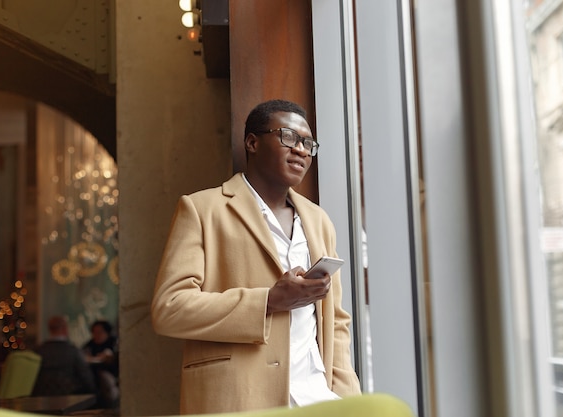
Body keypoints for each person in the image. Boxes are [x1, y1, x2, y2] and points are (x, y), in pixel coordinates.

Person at [151, 99, 361, 414]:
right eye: (289, 137)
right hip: (239, 399)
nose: (301, 150)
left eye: (308, 143)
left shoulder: (319, 221)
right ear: (252, 142)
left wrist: (350, 400)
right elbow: (169, 309)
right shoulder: (202, 209)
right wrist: (269, 300)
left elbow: (337, 321)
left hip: (318, 398)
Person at [32, 315, 96, 396]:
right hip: (69, 397)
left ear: (49, 329)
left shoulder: (38, 351)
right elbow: (86, 377)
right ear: (65, 329)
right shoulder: (73, 351)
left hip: (41, 397)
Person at [83, 320, 119, 408]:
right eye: (94, 332)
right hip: (92, 382)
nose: (97, 335)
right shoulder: (89, 345)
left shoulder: (115, 343)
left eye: (100, 332)